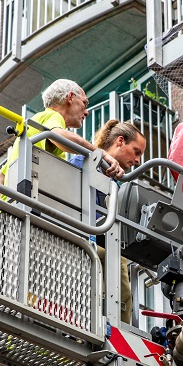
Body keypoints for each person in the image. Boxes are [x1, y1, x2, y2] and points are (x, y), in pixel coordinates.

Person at [71, 120, 147, 325]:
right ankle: (114, 327)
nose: (138, 161)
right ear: (120, 141)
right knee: (116, 261)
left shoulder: (114, 183)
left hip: (95, 245)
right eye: (136, 152)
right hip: (80, 243)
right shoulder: (83, 162)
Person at [0, 79, 123, 185]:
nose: (86, 112)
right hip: (29, 201)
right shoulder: (53, 116)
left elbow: (0, 178)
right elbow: (57, 135)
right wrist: (101, 154)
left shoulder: (34, 124)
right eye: (85, 103)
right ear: (71, 97)